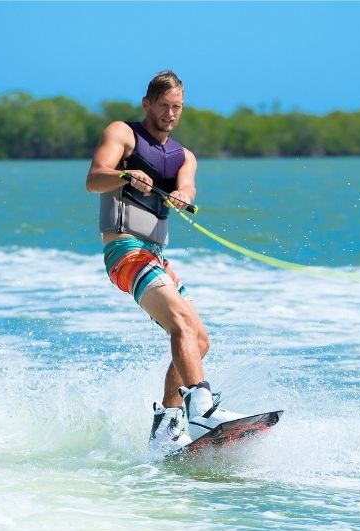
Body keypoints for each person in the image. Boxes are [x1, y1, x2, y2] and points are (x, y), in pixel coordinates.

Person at [86, 71, 243, 455]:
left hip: (156, 257)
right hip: (125, 250)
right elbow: (94, 178)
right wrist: (125, 173)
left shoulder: (183, 156)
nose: (171, 114)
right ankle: (202, 409)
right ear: (147, 104)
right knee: (179, 320)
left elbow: (187, 185)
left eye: (178, 108)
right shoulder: (123, 133)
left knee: (197, 339)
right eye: (164, 106)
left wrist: (182, 196)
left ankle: (168, 425)